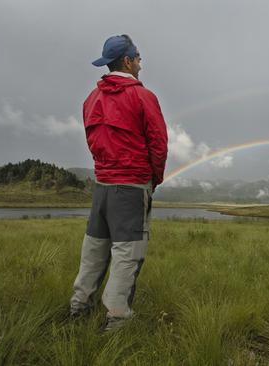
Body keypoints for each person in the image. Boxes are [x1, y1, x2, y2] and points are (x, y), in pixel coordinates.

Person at [69, 34, 168, 331]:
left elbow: (92, 140)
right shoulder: (143, 96)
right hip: (131, 187)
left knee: (94, 250)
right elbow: (159, 145)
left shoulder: (91, 98)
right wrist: (153, 180)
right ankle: (117, 319)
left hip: (102, 187)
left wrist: (105, 170)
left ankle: (78, 308)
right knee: (128, 254)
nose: (140, 62)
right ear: (127, 60)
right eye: (138, 57)